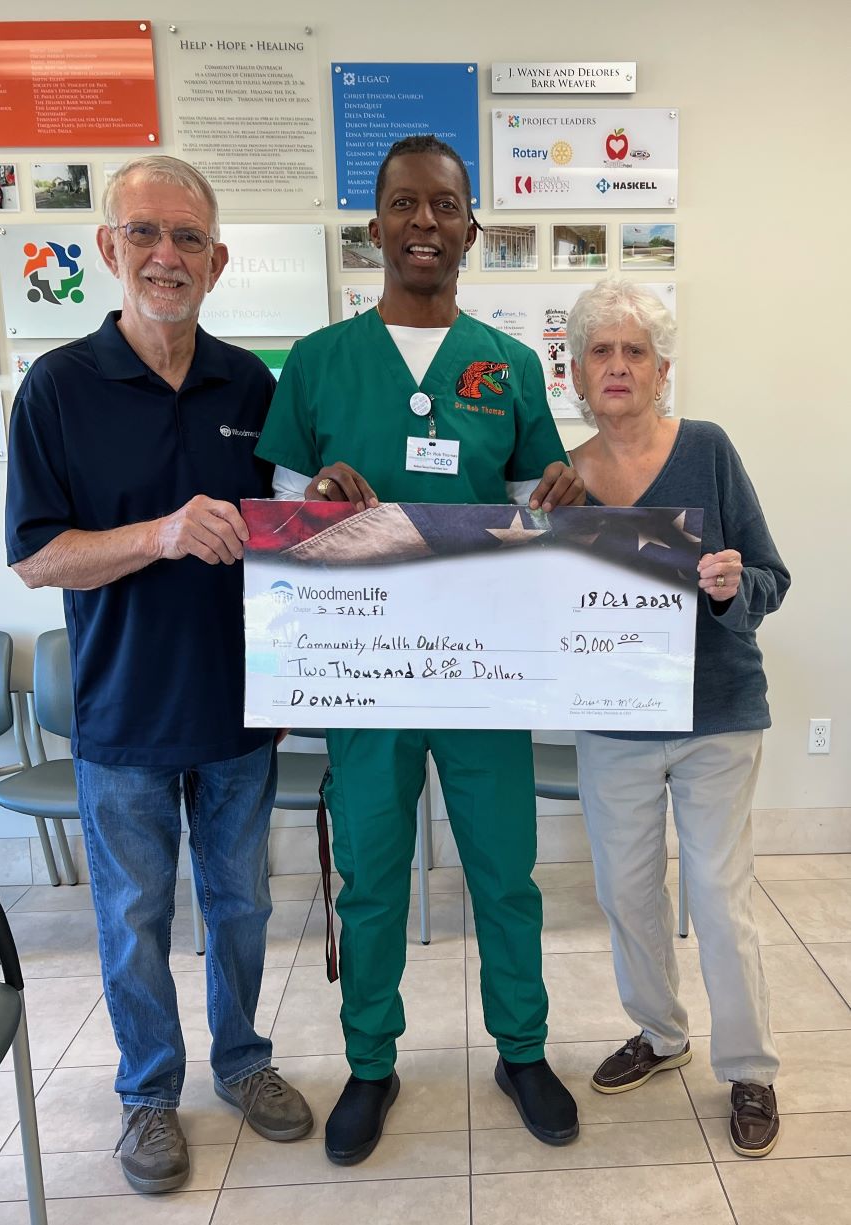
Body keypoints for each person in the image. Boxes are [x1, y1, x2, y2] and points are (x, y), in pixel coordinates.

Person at [257, 134, 585, 1165]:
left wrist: (565, 507)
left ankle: (521, 1049)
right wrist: (311, 501)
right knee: (371, 873)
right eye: (404, 204)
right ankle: (370, 1061)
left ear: (471, 225)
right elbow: (278, 509)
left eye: (445, 205)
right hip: (367, 675)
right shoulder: (316, 363)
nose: (425, 224)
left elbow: (538, 511)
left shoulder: (511, 366)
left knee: (504, 869)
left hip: (482, 670)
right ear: (374, 226)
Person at [4, 154, 312, 1194]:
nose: (166, 255)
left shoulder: (252, 383)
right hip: (123, 710)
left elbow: (288, 530)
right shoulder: (57, 388)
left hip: (239, 707)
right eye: (144, 234)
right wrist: (162, 533)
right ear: (107, 248)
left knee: (240, 904)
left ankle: (241, 1060)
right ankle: (148, 1092)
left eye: (187, 238)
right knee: (134, 915)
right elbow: (38, 555)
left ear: (218, 260)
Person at [565, 279, 789, 1158]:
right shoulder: (562, 474)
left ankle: (750, 1066)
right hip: (613, 720)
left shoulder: (709, 449)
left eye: (635, 353)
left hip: (718, 715)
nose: (617, 366)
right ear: (578, 370)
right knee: (625, 893)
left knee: (718, 896)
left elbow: (772, 575)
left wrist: (737, 587)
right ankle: (660, 1033)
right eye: (601, 351)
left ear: (661, 370)